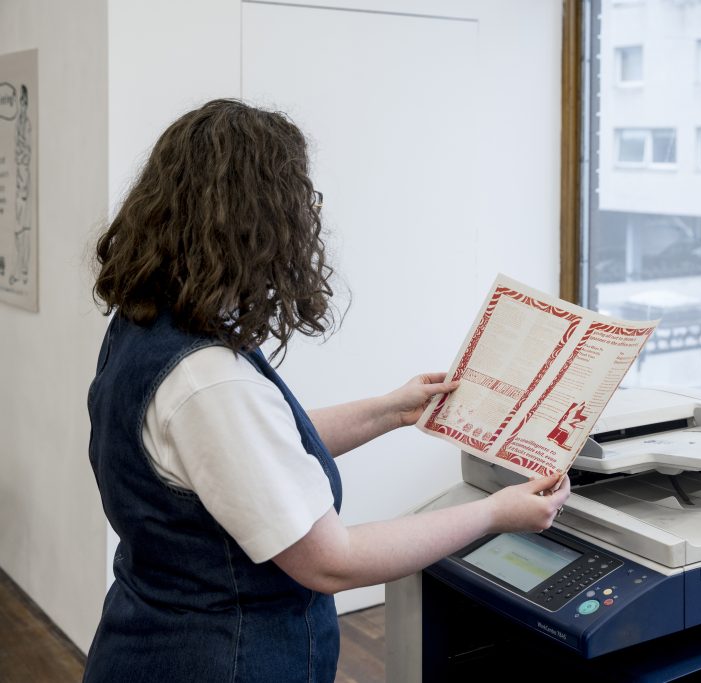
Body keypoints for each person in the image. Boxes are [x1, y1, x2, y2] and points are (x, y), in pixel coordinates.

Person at [84, 98, 570, 682]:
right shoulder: (207, 377)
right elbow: (332, 563)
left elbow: (250, 454)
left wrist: (392, 409)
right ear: (259, 222)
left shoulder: (147, 324)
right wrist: (494, 512)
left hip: (147, 638)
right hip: (223, 659)